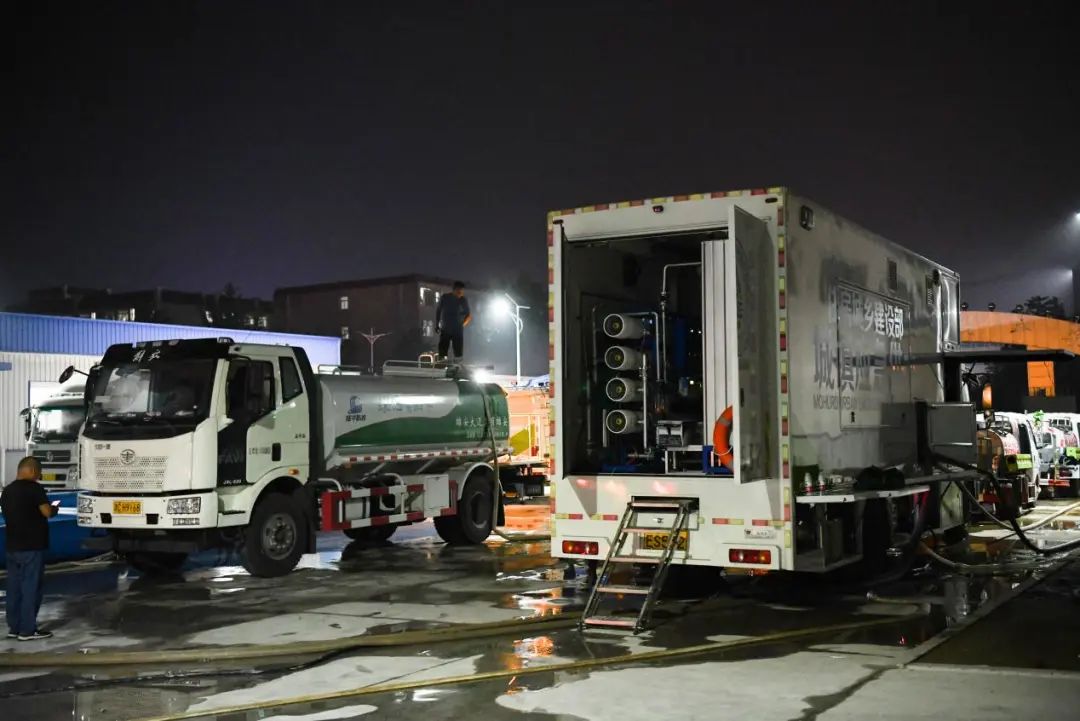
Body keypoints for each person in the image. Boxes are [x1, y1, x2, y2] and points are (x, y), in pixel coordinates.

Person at [2, 457, 57, 641]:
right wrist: (54, 509)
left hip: (12, 547)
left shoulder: (7, 491)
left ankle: (14, 627)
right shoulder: (35, 489)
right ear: (33, 471)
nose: (39, 476)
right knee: (31, 588)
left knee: (14, 588)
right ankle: (28, 630)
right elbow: (46, 512)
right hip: (32, 547)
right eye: (39, 473)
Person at [435, 281, 472, 362]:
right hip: (446, 328)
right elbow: (438, 311)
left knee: (458, 352)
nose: (460, 293)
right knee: (443, 349)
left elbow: (468, 315)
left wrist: (462, 325)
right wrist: (437, 324)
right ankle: (442, 362)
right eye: (459, 291)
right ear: (454, 290)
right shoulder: (445, 297)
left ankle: (457, 364)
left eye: (461, 291)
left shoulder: (463, 300)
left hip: (457, 330)